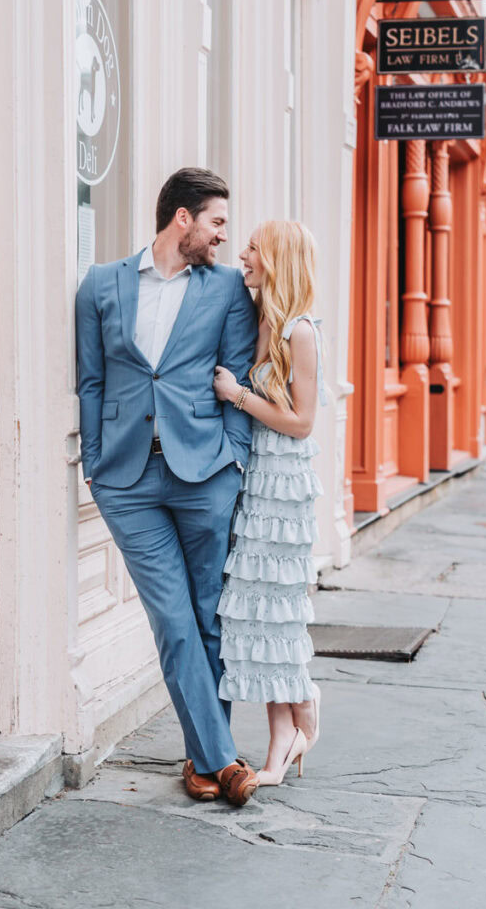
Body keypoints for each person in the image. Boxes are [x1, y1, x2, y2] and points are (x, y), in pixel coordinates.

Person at [76, 167, 260, 807]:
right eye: (216, 223)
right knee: (174, 621)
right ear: (181, 218)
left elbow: (236, 374)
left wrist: (233, 456)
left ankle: (203, 761)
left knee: (212, 619)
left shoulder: (230, 290)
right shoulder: (101, 285)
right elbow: (92, 382)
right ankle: (225, 761)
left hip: (205, 474)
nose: (222, 236)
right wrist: (95, 463)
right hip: (128, 481)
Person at [213, 220, 325, 786]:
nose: (244, 254)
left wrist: (237, 394)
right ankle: (292, 724)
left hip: (284, 490)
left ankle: (293, 725)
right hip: (258, 482)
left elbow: (302, 423)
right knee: (255, 611)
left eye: (254, 247)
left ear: (277, 259)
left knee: (274, 611)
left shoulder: (300, 332)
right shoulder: (266, 320)